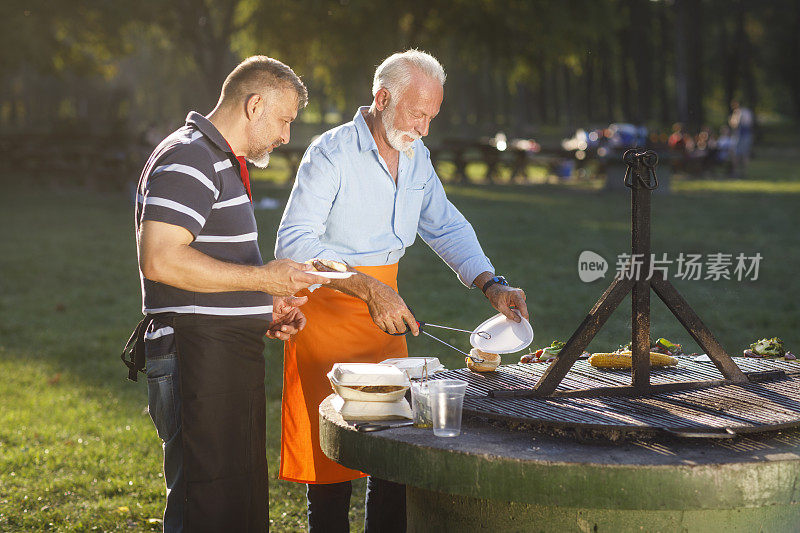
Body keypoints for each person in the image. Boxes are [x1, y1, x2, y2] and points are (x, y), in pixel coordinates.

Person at [274, 49, 529, 532]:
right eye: (418, 113)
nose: (425, 128)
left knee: (395, 452)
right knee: (331, 467)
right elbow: (294, 243)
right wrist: (366, 286)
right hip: (325, 316)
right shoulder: (330, 152)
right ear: (382, 97)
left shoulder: (416, 155)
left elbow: (445, 226)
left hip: (385, 318)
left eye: (432, 116)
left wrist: (491, 284)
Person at [131, 56, 330, 532]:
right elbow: (160, 258)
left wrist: (265, 306)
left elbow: (209, 270)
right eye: (283, 120)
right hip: (195, 352)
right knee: (204, 505)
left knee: (229, 501)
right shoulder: (190, 156)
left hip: (221, 351)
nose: (285, 137)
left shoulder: (221, 161)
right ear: (255, 104)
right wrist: (264, 280)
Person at [728, 99, 754, 178]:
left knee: (736, 154)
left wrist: (731, 121)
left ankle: (736, 172)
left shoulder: (738, 112)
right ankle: (744, 173)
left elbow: (735, 124)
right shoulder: (748, 112)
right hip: (747, 135)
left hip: (740, 136)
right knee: (744, 154)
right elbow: (750, 124)